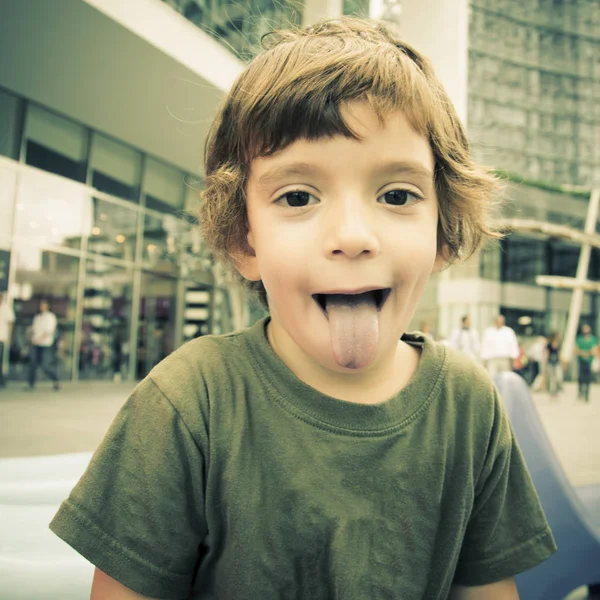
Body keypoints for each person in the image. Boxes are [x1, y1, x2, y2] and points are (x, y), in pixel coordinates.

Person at [50, 17, 556, 599]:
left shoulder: (469, 406)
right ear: (245, 241)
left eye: (397, 195)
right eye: (297, 196)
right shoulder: (189, 404)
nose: (352, 235)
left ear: (443, 233)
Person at [27, 299, 60, 390]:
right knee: (32, 363)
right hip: (35, 343)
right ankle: (31, 384)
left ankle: (55, 380)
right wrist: (32, 339)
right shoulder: (37, 317)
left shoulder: (50, 317)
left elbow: (49, 331)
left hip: (46, 344)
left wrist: (40, 339)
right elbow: (34, 330)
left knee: (45, 365)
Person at [480, 315, 520, 379]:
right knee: (492, 378)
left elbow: (513, 345)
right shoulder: (489, 331)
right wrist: (484, 361)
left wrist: (514, 359)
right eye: (498, 321)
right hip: (492, 359)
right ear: (495, 321)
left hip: (505, 359)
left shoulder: (508, 331)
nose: (499, 322)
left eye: (501, 321)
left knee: (506, 378)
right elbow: (485, 346)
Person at [575, 323, 598, 403]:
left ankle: (586, 395)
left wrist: (587, 353)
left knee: (588, 378)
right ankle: (580, 392)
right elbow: (576, 349)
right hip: (581, 361)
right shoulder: (579, 339)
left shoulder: (593, 339)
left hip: (589, 361)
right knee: (581, 377)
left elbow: (595, 349)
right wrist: (583, 353)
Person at [0, 292, 15, 388]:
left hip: (1, 338)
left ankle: (1, 380)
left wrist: (10, 337)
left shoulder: (6, 308)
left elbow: (11, 322)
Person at [544, 332, 561, 398]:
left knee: (557, 377)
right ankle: (552, 392)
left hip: (556, 363)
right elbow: (547, 355)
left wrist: (562, 363)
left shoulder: (558, 344)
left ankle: (556, 391)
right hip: (550, 363)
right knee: (552, 378)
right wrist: (545, 364)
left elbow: (559, 355)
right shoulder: (549, 345)